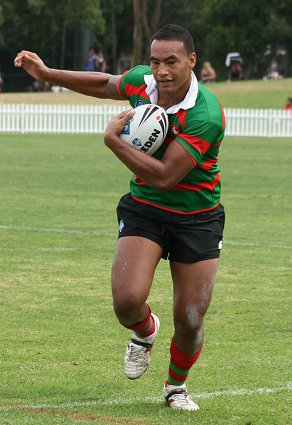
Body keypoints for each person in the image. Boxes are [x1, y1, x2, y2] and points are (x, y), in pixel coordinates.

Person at [14, 24, 225, 411]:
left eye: (171, 61)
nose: (161, 71)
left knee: (191, 318)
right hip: (145, 208)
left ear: (191, 61)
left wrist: (112, 141)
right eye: (155, 61)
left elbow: (164, 177)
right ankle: (145, 331)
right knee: (127, 301)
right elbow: (104, 83)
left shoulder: (205, 114)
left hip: (197, 217)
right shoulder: (143, 82)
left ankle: (175, 387)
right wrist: (47, 75)